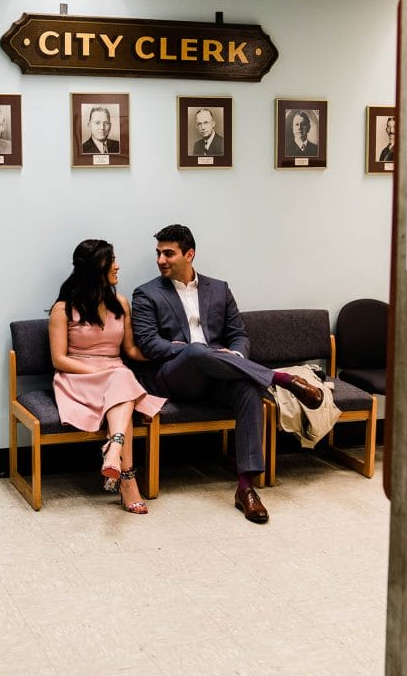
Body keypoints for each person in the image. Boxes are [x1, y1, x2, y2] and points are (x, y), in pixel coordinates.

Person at [131, 224, 325, 524]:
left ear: (189, 254)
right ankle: (283, 380)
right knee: (197, 350)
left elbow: (239, 335)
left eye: (168, 253)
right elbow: (149, 343)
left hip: (218, 375)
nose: (160, 260)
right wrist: (189, 350)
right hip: (173, 377)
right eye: (158, 253)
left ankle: (245, 489)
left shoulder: (218, 288)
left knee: (247, 390)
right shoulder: (146, 294)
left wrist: (234, 356)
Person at [50, 239, 165, 513]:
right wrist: (99, 370)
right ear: (95, 267)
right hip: (77, 377)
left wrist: (171, 350)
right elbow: (59, 359)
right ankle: (127, 479)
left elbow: (130, 350)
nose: (117, 265)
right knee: (122, 380)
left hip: (116, 376)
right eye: (111, 260)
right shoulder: (63, 309)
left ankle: (115, 453)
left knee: (122, 378)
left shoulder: (121, 303)